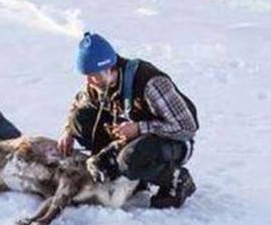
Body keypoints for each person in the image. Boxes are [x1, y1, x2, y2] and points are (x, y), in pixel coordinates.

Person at [58, 32, 199, 208]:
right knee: (80, 120)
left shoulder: (151, 83)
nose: (89, 81)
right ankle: (122, 173)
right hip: (133, 136)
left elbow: (187, 127)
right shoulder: (97, 84)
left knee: (129, 159)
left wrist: (140, 128)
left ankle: (175, 179)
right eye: (86, 75)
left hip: (172, 141)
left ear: (109, 69)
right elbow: (79, 104)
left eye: (93, 75)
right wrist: (68, 130)